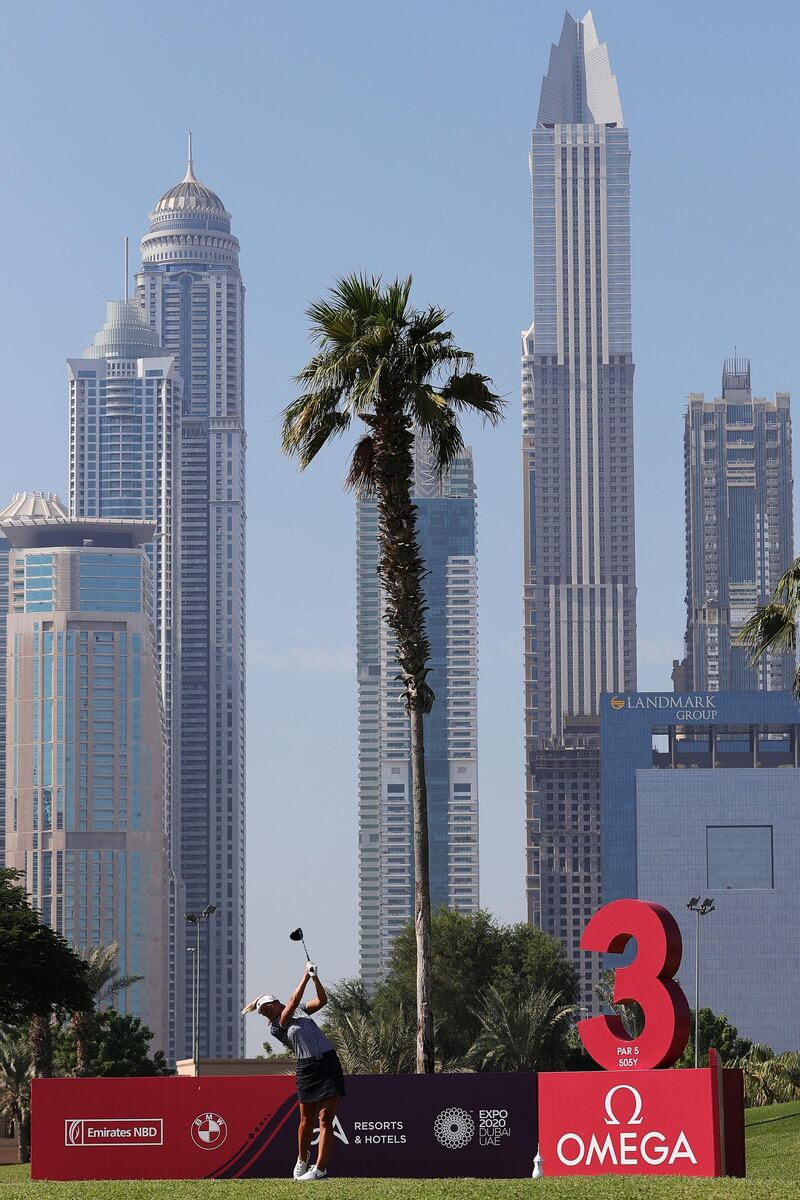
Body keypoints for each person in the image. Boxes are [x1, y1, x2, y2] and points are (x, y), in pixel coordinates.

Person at [243, 964, 345, 1181]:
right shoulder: (277, 1026)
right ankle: (302, 1158)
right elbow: (293, 1002)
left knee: (326, 1117)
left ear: (275, 1002)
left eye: (268, 1007)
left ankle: (320, 1169)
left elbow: (322, 1001)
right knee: (306, 1122)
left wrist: (315, 979)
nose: (267, 1012)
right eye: (263, 1012)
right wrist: (305, 976)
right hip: (307, 1070)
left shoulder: (300, 1010)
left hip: (328, 1063)